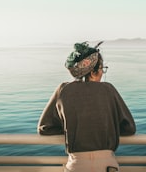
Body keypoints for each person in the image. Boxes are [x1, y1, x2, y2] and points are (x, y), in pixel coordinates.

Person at [38, 41, 136, 172]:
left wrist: (72, 129)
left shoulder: (63, 90)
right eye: (102, 68)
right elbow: (129, 128)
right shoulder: (108, 89)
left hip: (77, 165)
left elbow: (44, 128)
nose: (102, 73)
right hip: (107, 165)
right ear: (93, 71)